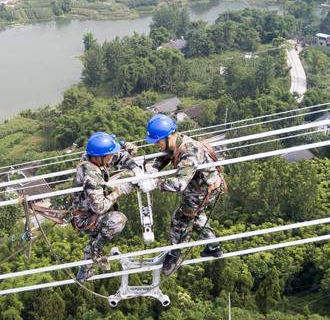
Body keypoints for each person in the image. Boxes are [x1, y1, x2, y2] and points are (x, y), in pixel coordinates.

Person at [143, 114, 226, 276]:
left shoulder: (189, 152)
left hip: (202, 190)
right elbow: (167, 154)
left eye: (158, 141)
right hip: (200, 186)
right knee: (196, 217)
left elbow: (179, 184)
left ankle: (175, 255)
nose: (157, 145)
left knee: (181, 220)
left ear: (168, 137)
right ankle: (214, 247)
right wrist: (154, 169)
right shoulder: (177, 142)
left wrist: (154, 183)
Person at [71, 131, 138, 281]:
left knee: (97, 236)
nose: (111, 157)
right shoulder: (91, 175)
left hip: (89, 211)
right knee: (117, 220)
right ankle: (95, 250)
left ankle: (84, 270)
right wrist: (118, 191)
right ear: (99, 157)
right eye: (109, 155)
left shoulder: (92, 157)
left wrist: (134, 166)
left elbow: (117, 156)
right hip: (87, 218)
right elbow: (100, 207)